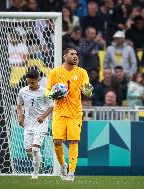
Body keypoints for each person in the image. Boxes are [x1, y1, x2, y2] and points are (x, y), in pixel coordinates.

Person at [45, 48, 93, 181]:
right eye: (72, 54)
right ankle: (62, 165)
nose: (75, 56)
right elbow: (48, 89)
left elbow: (88, 90)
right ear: (65, 56)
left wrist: (88, 90)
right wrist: (51, 95)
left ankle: (72, 172)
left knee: (73, 141)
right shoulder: (55, 72)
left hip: (75, 113)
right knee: (57, 141)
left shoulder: (82, 72)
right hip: (59, 112)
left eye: (76, 54)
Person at [17, 70, 54, 180]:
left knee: (35, 149)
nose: (31, 85)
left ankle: (35, 173)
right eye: (29, 82)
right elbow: (19, 104)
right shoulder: (22, 91)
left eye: (33, 82)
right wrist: (20, 116)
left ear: (38, 80)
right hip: (28, 124)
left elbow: (51, 106)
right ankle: (39, 161)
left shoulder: (45, 92)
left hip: (40, 124)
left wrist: (43, 116)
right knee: (28, 152)